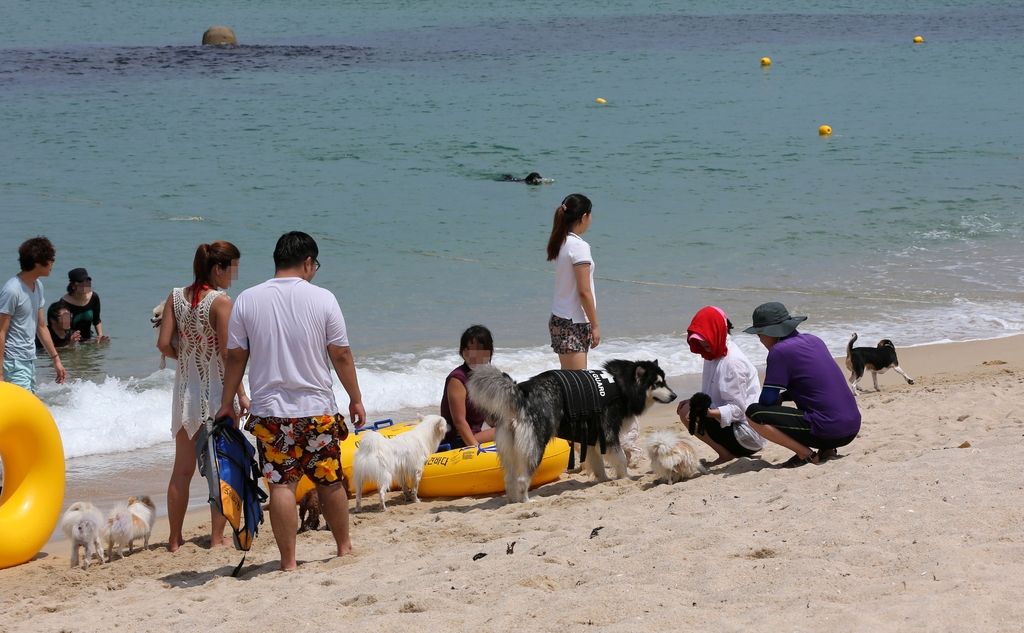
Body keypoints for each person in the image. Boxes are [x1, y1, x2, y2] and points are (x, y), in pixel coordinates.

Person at [216, 231, 366, 570]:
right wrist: (355, 398)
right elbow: (340, 355)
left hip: (270, 415)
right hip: (317, 411)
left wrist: (228, 402)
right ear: (308, 263)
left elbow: (236, 357)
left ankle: (288, 562)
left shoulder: (248, 300)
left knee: (281, 485)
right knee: (329, 479)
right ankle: (343, 547)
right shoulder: (323, 298)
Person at [157, 241, 249, 552]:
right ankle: (216, 538)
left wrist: (186, 359)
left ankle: (173, 540)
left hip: (184, 394)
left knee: (181, 470)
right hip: (215, 396)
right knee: (220, 468)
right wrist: (242, 395)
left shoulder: (174, 296)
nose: (232, 277)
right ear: (218, 268)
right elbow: (227, 355)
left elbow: (163, 345)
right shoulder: (221, 302)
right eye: (231, 269)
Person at [743, 302, 861, 468]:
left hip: (829, 430)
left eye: (759, 335)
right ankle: (827, 450)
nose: (760, 340)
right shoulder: (814, 340)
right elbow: (816, 386)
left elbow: (767, 401)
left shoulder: (779, 351)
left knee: (754, 413)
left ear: (768, 332)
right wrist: (784, 396)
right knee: (818, 403)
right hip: (852, 426)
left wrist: (776, 400)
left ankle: (805, 454)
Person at [675, 306, 766, 466]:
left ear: (717, 333)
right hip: (736, 428)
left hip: (747, 435)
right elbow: (714, 393)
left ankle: (725, 454)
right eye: (700, 342)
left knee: (687, 412)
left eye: (706, 342)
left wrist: (706, 412)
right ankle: (726, 452)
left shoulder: (732, 363)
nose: (703, 347)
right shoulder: (713, 351)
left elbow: (738, 410)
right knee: (688, 407)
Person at [0, 237, 66, 392]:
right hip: (13, 362)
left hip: (28, 360)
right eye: (51, 259)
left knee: (27, 408)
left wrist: (56, 360)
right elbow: (1, 332)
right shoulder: (12, 290)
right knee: (21, 412)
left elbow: (41, 326)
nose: (53, 264)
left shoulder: (37, 286)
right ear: (38, 262)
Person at [546, 193, 599, 371]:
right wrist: (595, 325)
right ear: (584, 217)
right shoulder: (579, 246)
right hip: (573, 322)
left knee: (569, 383)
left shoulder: (561, 241)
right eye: (590, 215)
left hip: (559, 317)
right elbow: (584, 291)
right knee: (578, 385)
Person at [440, 325, 497, 449]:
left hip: (475, 436)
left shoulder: (483, 378)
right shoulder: (457, 379)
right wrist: (476, 449)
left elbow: (490, 417)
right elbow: (459, 422)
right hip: (456, 442)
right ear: (464, 352)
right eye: (470, 350)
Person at [60, 268, 109, 343]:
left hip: (88, 337)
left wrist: (100, 336)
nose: (86, 285)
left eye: (87, 281)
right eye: (81, 282)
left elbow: (96, 320)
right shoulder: (64, 303)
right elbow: (64, 329)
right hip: (70, 341)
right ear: (73, 285)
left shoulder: (94, 297)